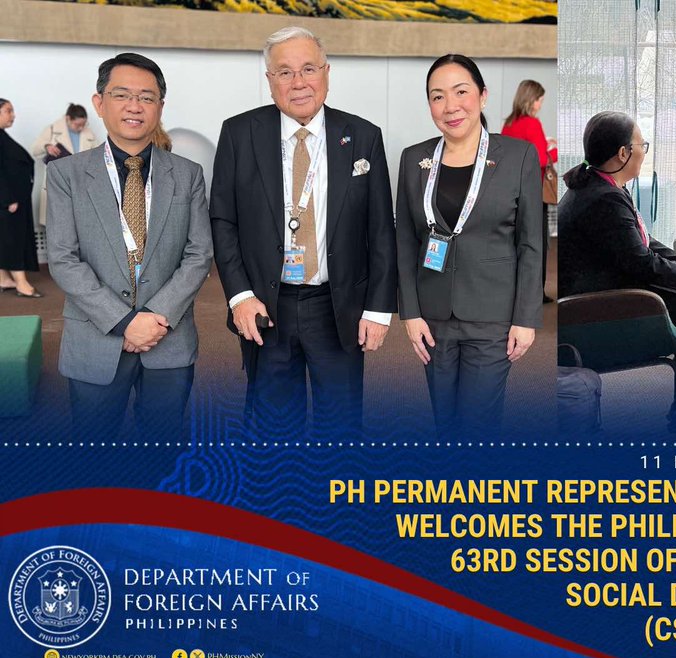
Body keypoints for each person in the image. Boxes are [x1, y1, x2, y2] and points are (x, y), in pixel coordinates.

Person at [210, 26, 397, 440]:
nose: (299, 82)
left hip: (338, 306)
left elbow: (382, 229)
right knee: (274, 428)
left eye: (308, 68)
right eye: (284, 72)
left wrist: (379, 309)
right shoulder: (239, 133)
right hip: (266, 306)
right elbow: (223, 220)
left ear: (327, 73)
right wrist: (240, 296)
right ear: (269, 80)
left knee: (342, 426)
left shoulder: (363, 137)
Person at [44, 54, 213, 441]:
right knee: (94, 456)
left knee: (164, 449)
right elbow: (63, 259)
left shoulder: (187, 175)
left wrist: (154, 317)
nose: (135, 106)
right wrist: (125, 322)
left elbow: (198, 253)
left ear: (160, 107)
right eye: (122, 95)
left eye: (147, 97)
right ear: (100, 103)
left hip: (167, 337)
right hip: (94, 338)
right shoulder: (66, 174)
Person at [558, 111, 676, 433]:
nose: (644, 150)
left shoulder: (602, 187)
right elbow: (641, 262)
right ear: (623, 153)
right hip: (600, 306)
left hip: (611, 289)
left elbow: (644, 242)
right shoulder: (603, 199)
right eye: (643, 144)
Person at [396, 54, 542, 439]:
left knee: (478, 423)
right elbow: (406, 242)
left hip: (492, 315)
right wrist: (410, 314)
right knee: (445, 421)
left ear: (482, 95)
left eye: (461, 92)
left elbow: (530, 243)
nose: (450, 106)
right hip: (433, 315)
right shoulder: (414, 159)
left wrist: (526, 318)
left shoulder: (517, 156)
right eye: (437, 97)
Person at [501, 79, 557, 303]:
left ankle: (514, 289)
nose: (540, 105)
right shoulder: (532, 123)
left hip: (511, 190)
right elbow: (540, 159)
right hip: (533, 191)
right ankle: (537, 292)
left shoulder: (509, 124)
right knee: (537, 243)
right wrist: (555, 151)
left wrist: (544, 142)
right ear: (532, 100)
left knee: (516, 240)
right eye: (540, 100)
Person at [31, 103, 101, 231]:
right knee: (57, 226)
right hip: (58, 183)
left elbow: (98, 157)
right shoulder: (52, 130)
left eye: (83, 125)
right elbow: (35, 149)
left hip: (81, 183)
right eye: (77, 125)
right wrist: (47, 146)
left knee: (80, 227)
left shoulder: (89, 134)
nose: (81, 128)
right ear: (68, 119)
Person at [0, 98, 43, 298]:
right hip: (9, 203)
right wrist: (7, 199)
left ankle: (3, 278)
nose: (13, 115)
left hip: (14, 200)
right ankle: (21, 283)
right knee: (13, 240)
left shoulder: (2, 136)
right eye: (8, 111)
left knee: (7, 239)